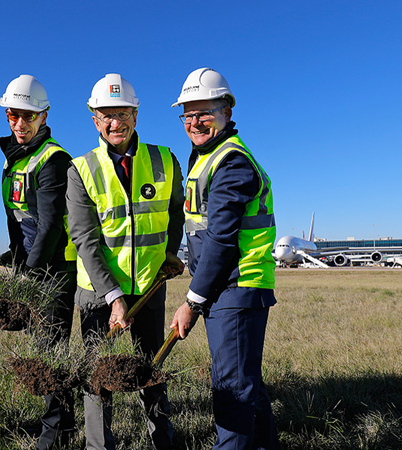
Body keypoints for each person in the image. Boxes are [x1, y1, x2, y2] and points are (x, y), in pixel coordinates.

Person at [66, 73, 185, 450]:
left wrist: (169, 256)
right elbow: (85, 238)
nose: (115, 122)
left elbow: (176, 216)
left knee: (152, 371)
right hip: (98, 295)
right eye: (106, 115)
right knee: (97, 378)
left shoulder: (164, 159)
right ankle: (100, 447)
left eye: (122, 113)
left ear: (136, 115)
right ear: (94, 119)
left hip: (149, 288)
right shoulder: (80, 169)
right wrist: (114, 297)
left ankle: (162, 441)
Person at [169, 67, 280, 450]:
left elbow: (220, 240)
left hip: (236, 286)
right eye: (189, 114)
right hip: (230, 288)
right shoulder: (207, 157)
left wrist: (191, 302)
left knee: (231, 390)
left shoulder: (230, 162)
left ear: (227, 112)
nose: (196, 122)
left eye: (205, 113)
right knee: (247, 384)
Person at [0, 74, 77, 449]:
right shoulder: (17, 159)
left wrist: (27, 276)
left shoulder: (52, 160)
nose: (19, 123)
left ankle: (52, 436)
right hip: (32, 265)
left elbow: (48, 227)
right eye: (13, 115)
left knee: (50, 351)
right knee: (47, 349)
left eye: (28, 116)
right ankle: (63, 424)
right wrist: (14, 256)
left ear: (44, 116)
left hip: (54, 269)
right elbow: (18, 220)